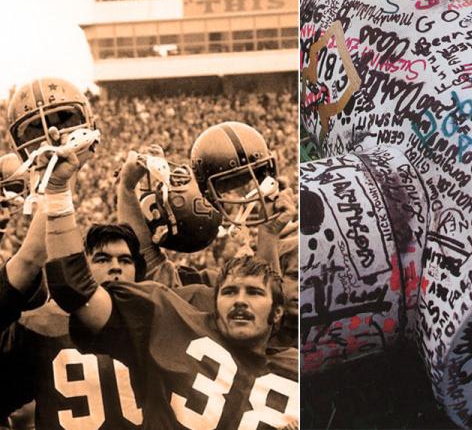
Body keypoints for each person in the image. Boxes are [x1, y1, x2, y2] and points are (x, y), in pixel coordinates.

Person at [37, 135, 299, 428]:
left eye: (252, 293)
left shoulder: (298, 367)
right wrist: (58, 192)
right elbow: (74, 288)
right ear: (212, 301)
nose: (240, 300)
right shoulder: (170, 321)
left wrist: (269, 234)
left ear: (276, 310)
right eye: (228, 291)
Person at [0, 224, 148, 429]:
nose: (116, 267)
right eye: (102, 259)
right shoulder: (36, 326)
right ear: (79, 270)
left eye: (125, 260)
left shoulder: (155, 321)